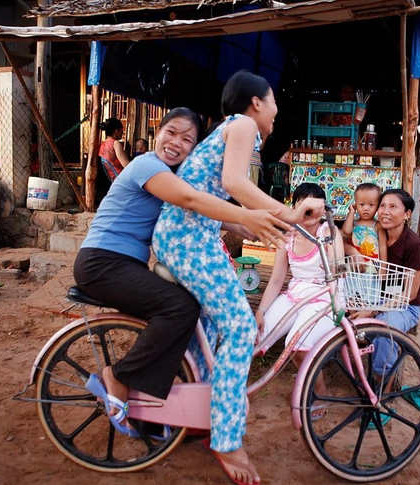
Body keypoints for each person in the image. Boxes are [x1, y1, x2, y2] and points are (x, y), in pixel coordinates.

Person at [74, 107, 292, 440]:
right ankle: (119, 375)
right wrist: (251, 216)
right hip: (103, 263)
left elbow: (202, 211)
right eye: (171, 132)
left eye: (187, 140)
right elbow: (191, 199)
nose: (176, 143)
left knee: (187, 309)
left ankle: (164, 402)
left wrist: (249, 227)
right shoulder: (148, 165)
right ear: (156, 134)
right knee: (179, 307)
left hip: (124, 265)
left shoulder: (168, 175)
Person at [152, 70, 325, 485]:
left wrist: (245, 226)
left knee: (213, 329)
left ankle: (202, 415)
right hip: (189, 240)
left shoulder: (230, 130)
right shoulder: (244, 124)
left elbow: (218, 194)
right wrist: (287, 213)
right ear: (256, 102)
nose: (276, 114)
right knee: (243, 327)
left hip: (189, 236)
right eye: (275, 104)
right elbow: (233, 184)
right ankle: (227, 439)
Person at [255, 183, 344, 417]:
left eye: (315, 208)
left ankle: (320, 391)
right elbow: (276, 280)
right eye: (303, 207)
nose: (309, 214)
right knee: (258, 336)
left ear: (322, 210)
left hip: (325, 297)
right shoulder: (289, 237)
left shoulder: (330, 233)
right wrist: (261, 311)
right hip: (295, 294)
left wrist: (324, 239)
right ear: (294, 208)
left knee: (296, 345)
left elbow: (338, 271)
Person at [350, 188, 420, 373]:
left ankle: (381, 382)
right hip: (373, 295)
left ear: (407, 214)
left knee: (384, 331)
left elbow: (411, 293)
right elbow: (344, 237)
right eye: (382, 206)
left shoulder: (413, 245)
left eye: (393, 207)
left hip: (404, 306)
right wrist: (353, 251)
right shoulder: (372, 233)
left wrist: (373, 311)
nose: (385, 211)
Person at [340, 183, 387, 261]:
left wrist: (383, 267)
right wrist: (352, 212)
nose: (366, 208)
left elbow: (383, 247)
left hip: (372, 267)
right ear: (356, 205)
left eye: (371, 205)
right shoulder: (354, 223)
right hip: (355, 266)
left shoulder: (378, 225)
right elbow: (346, 231)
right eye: (361, 204)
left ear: (377, 207)